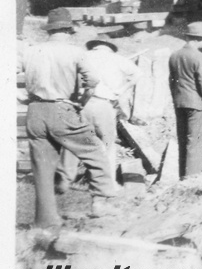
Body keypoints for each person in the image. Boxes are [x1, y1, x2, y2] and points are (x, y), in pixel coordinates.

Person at [18, 8, 118, 228]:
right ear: (68, 30)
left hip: (35, 111)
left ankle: (45, 221)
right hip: (63, 109)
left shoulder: (31, 51)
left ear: (49, 30)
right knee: (95, 151)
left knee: (42, 167)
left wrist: (21, 96)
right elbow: (92, 80)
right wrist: (82, 101)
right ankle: (101, 203)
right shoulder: (75, 52)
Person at [56, 34, 142, 192]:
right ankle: (106, 184)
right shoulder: (119, 59)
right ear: (109, 46)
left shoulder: (83, 56)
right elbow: (137, 74)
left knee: (73, 140)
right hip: (105, 104)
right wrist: (120, 90)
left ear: (94, 45)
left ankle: (65, 179)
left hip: (82, 103)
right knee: (107, 144)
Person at [168, 21, 202, 179]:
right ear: (196, 39)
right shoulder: (198, 56)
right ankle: (192, 178)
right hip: (195, 105)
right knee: (195, 142)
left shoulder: (174, 55)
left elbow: (171, 81)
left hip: (179, 103)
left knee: (183, 140)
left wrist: (176, 98)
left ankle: (182, 176)